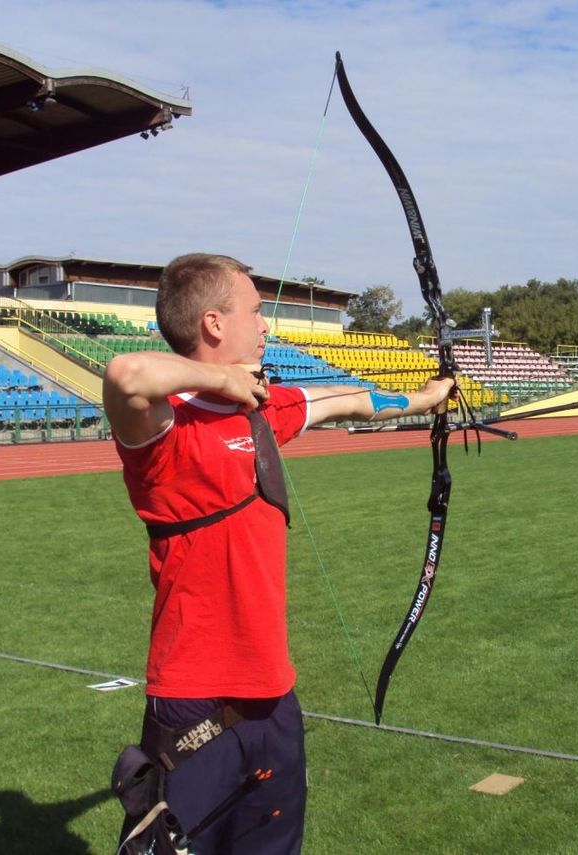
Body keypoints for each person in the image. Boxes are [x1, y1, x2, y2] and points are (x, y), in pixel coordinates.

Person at [103, 253, 454, 855]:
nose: (267, 327)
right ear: (214, 324)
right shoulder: (163, 432)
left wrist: (423, 400)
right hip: (196, 702)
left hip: (272, 698)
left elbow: (349, 400)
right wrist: (220, 380)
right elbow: (125, 374)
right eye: (257, 312)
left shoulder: (264, 412)